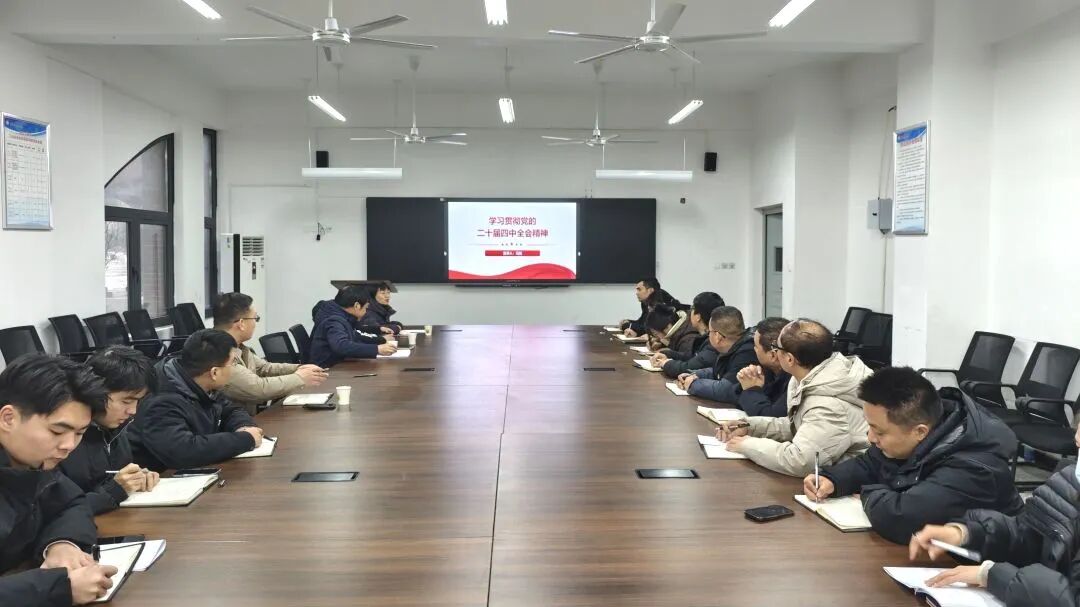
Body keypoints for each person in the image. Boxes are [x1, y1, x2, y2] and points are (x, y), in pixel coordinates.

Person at [803, 368, 1023, 545]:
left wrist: (866, 493)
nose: (870, 437)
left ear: (920, 432)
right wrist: (833, 479)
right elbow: (871, 463)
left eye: (879, 432)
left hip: (980, 571)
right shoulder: (923, 430)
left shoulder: (974, 465)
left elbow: (902, 518)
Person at [0, 354, 120, 606]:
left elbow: (72, 503)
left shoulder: (33, 461)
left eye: (79, 433)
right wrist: (57, 589)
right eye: (57, 431)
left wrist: (61, 544)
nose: (69, 445)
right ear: (8, 418)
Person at [909, 430, 1080, 605]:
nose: (1077, 437)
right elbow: (1029, 534)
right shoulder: (1070, 481)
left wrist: (993, 575)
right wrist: (968, 534)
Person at [716, 319, 872, 477]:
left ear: (789, 359)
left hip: (846, 483)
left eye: (776, 348)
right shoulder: (815, 378)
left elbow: (801, 461)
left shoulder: (829, 405)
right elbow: (797, 425)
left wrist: (747, 445)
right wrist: (750, 427)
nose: (774, 353)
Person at [129, 329, 264, 472]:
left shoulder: (200, 381)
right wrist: (245, 439)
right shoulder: (161, 401)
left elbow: (230, 410)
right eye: (233, 363)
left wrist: (243, 427)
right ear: (214, 372)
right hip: (160, 477)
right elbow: (184, 452)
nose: (235, 368)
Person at [59, 346, 161, 515]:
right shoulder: (64, 438)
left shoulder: (115, 426)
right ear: (97, 392)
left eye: (138, 401)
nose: (133, 411)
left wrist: (136, 478)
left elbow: (113, 478)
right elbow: (55, 510)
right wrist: (114, 491)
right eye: (126, 401)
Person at [213, 292, 328, 415]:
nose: (255, 324)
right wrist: (299, 378)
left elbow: (264, 368)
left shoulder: (239, 347)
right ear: (241, 324)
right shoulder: (218, 353)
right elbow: (257, 389)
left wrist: (300, 368)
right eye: (255, 318)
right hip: (232, 424)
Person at [675, 306, 757, 403]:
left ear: (718, 336)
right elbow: (718, 372)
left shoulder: (747, 352)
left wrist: (693, 384)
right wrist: (694, 375)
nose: (708, 335)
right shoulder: (733, 347)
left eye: (709, 332)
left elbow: (725, 390)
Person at [309, 286, 398, 368]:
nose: (366, 312)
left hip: (338, 364)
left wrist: (379, 342)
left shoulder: (343, 316)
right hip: (327, 369)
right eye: (366, 308)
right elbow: (341, 345)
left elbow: (355, 336)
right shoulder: (334, 320)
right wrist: (377, 349)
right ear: (357, 306)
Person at [651, 292, 725, 379]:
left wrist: (665, 363)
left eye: (692, 308)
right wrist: (667, 354)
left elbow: (689, 368)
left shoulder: (714, 342)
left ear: (698, 317)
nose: (690, 312)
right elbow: (692, 358)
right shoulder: (705, 337)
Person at [733, 317, 791, 417]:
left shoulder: (795, 378)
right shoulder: (768, 370)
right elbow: (737, 397)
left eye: (756, 346)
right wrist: (747, 381)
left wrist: (752, 389)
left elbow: (770, 417)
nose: (753, 349)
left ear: (773, 355)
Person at [618, 278, 683, 338]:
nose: (636, 293)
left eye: (639, 289)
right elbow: (642, 322)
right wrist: (628, 321)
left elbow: (652, 328)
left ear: (650, 290)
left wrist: (627, 325)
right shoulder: (645, 302)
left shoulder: (661, 301)